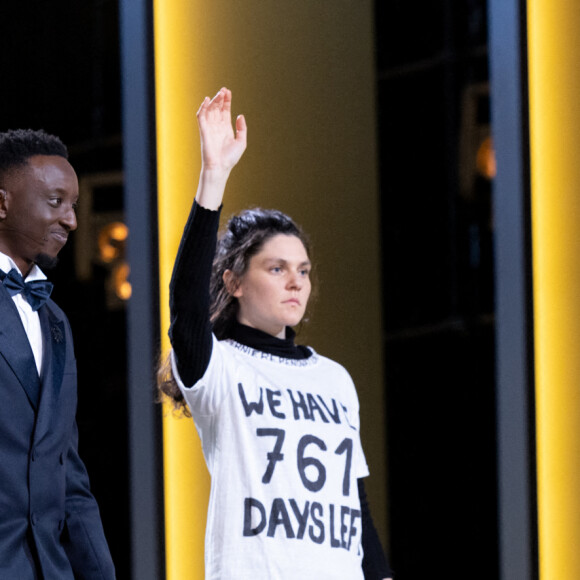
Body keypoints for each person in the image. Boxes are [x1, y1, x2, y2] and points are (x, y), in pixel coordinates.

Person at [159, 88, 393, 579]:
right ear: (234, 280)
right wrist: (213, 178)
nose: (295, 281)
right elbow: (184, 306)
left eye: (303, 271)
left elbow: (356, 506)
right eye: (277, 268)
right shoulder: (219, 368)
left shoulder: (335, 379)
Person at [0, 129, 115, 579]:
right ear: (3, 203)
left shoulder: (56, 322)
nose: (71, 220)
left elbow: (68, 473)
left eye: (73, 206)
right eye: (55, 202)